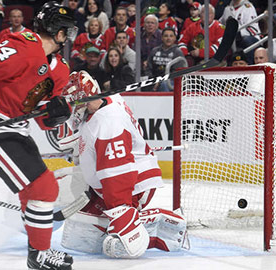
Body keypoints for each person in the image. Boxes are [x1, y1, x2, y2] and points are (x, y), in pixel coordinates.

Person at [0, 2, 76, 269]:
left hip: (16, 131)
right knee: (44, 187)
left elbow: (44, 121)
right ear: (58, 32)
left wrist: (58, 112)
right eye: (67, 31)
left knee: (34, 190)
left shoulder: (60, 69)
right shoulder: (24, 46)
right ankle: (40, 254)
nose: (68, 37)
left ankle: (38, 250)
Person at [56, 71, 188, 258]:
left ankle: (162, 226)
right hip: (108, 185)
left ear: (83, 100)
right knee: (77, 237)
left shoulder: (108, 124)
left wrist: (120, 210)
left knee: (112, 244)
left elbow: (117, 173)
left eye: (73, 103)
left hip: (132, 187)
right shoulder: (106, 102)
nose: (71, 109)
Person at [219, 0, 261, 64]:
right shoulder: (227, 9)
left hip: (249, 38)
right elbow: (220, 24)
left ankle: (249, 66)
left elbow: (254, 29)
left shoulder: (248, 7)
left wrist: (239, 32)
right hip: (232, 38)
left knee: (247, 40)